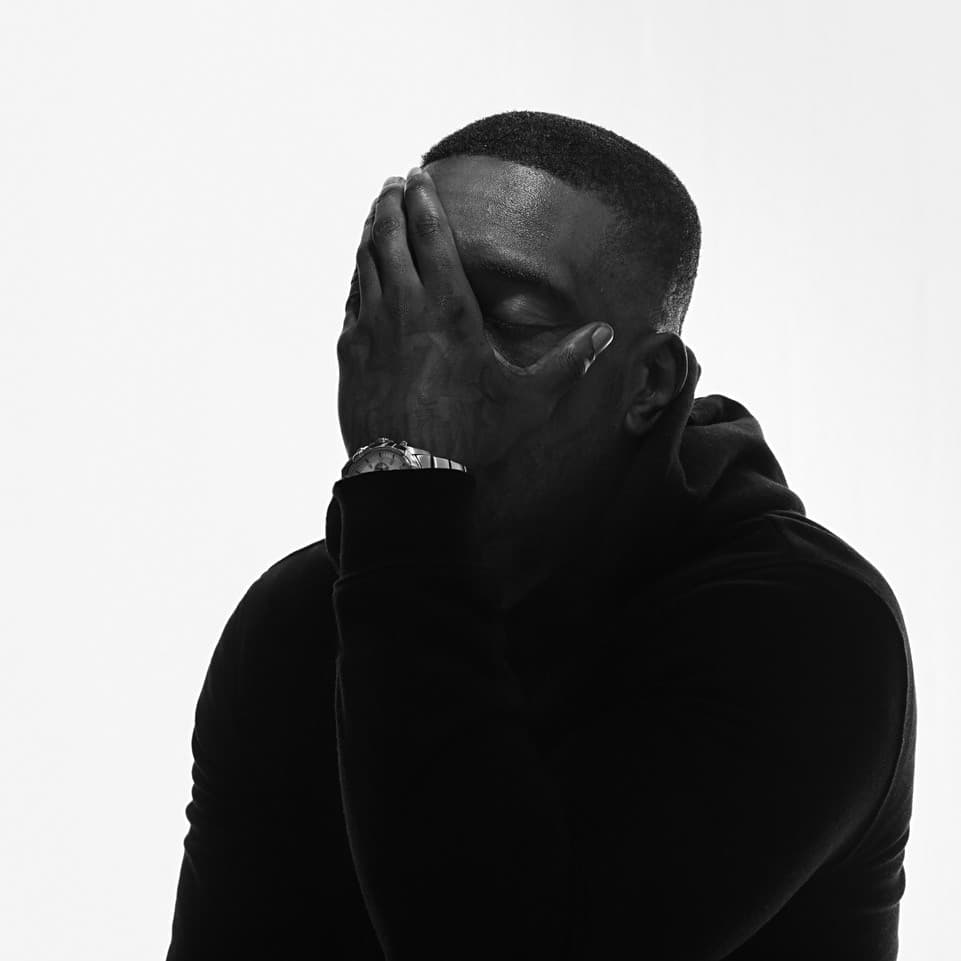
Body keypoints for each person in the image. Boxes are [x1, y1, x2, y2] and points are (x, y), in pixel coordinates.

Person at [165, 110, 915, 960]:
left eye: (510, 321)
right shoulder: (302, 618)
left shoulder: (802, 630)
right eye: (397, 309)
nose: (428, 367)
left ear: (648, 383)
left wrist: (405, 477)